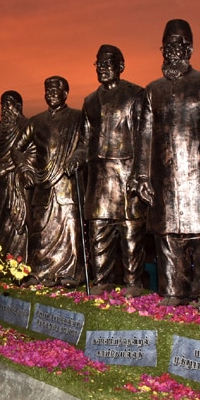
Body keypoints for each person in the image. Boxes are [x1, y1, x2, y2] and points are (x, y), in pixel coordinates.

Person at [133, 19, 200, 309]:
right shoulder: (152, 91)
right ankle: (173, 291)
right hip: (165, 179)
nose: (172, 51)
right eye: (167, 45)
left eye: (178, 44)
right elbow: (144, 137)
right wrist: (141, 176)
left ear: (189, 48)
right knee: (168, 236)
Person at [76, 45, 146, 296]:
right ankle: (102, 279)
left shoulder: (136, 94)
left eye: (109, 62)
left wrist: (141, 174)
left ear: (121, 66)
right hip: (98, 177)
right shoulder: (90, 102)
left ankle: (133, 283)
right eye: (99, 63)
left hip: (126, 172)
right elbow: (85, 141)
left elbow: (144, 138)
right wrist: (77, 157)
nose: (103, 67)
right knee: (99, 229)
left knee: (130, 231)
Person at [17, 76, 85, 288]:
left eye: (57, 89)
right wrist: (25, 170)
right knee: (40, 232)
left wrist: (77, 158)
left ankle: (70, 273)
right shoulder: (35, 121)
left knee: (71, 230)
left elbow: (86, 144)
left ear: (66, 93)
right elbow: (16, 149)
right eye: (48, 90)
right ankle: (39, 272)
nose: (52, 93)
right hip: (43, 185)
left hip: (67, 185)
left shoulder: (77, 118)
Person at [0, 91, 31, 259]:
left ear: (18, 106)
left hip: (17, 183)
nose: (4, 108)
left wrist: (7, 167)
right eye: (2, 104)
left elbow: (29, 154)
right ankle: (0, 262)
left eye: (8, 104)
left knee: (17, 224)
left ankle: (18, 263)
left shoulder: (26, 125)